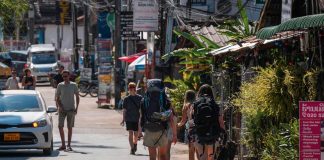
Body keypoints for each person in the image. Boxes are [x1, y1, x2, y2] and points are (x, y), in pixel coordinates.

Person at [140, 79, 177, 160]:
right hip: (162, 130)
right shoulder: (166, 101)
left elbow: (141, 117)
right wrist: (174, 134)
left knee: (152, 157)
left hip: (149, 129)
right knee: (163, 155)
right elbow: (171, 119)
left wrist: (140, 131)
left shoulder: (144, 100)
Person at [192, 84, 225, 160]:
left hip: (199, 133)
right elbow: (221, 121)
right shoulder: (214, 104)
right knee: (211, 157)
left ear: (199, 92)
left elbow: (192, 119)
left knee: (203, 157)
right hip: (213, 133)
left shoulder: (196, 104)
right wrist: (223, 134)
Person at [55, 70, 80, 152]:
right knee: (60, 126)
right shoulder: (60, 85)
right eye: (63, 76)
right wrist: (59, 106)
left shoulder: (74, 85)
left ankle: (69, 145)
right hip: (62, 110)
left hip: (71, 109)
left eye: (66, 76)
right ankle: (63, 145)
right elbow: (57, 98)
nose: (64, 78)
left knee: (69, 127)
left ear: (69, 76)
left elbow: (77, 97)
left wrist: (76, 108)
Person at [120, 82, 143, 155]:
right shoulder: (126, 99)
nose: (131, 89)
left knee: (136, 134)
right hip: (129, 118)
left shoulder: (140, 98)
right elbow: (124, 110)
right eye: (130, 88)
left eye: (132, 88)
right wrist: (123, 119)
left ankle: (135, 144)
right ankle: (132, 148)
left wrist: (141, 118)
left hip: (137, 119)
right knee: (130, 133)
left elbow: (142, 109)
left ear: (135, 89)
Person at [177, 90, 197, 160]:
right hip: (200, 128)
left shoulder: (186, 106)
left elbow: (183, 121)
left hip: (190, 129)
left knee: (191, 150)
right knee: (199, 150)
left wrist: (176, 125)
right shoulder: (198, 104)